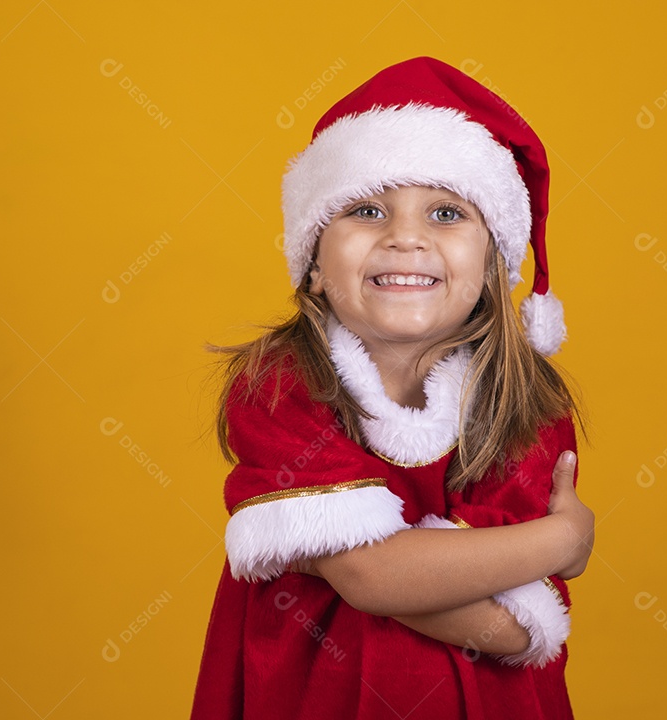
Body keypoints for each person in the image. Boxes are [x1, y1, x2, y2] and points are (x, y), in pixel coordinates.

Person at [189, 56, 596, 720]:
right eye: (367, 209)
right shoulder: (279, 386)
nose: (405, 238)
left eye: (446, 213)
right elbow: (372, 577)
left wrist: (340, 559)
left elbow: (512, 626)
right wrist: (564, 541)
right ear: (313, 263)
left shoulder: (527, 404)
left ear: (493, 264)